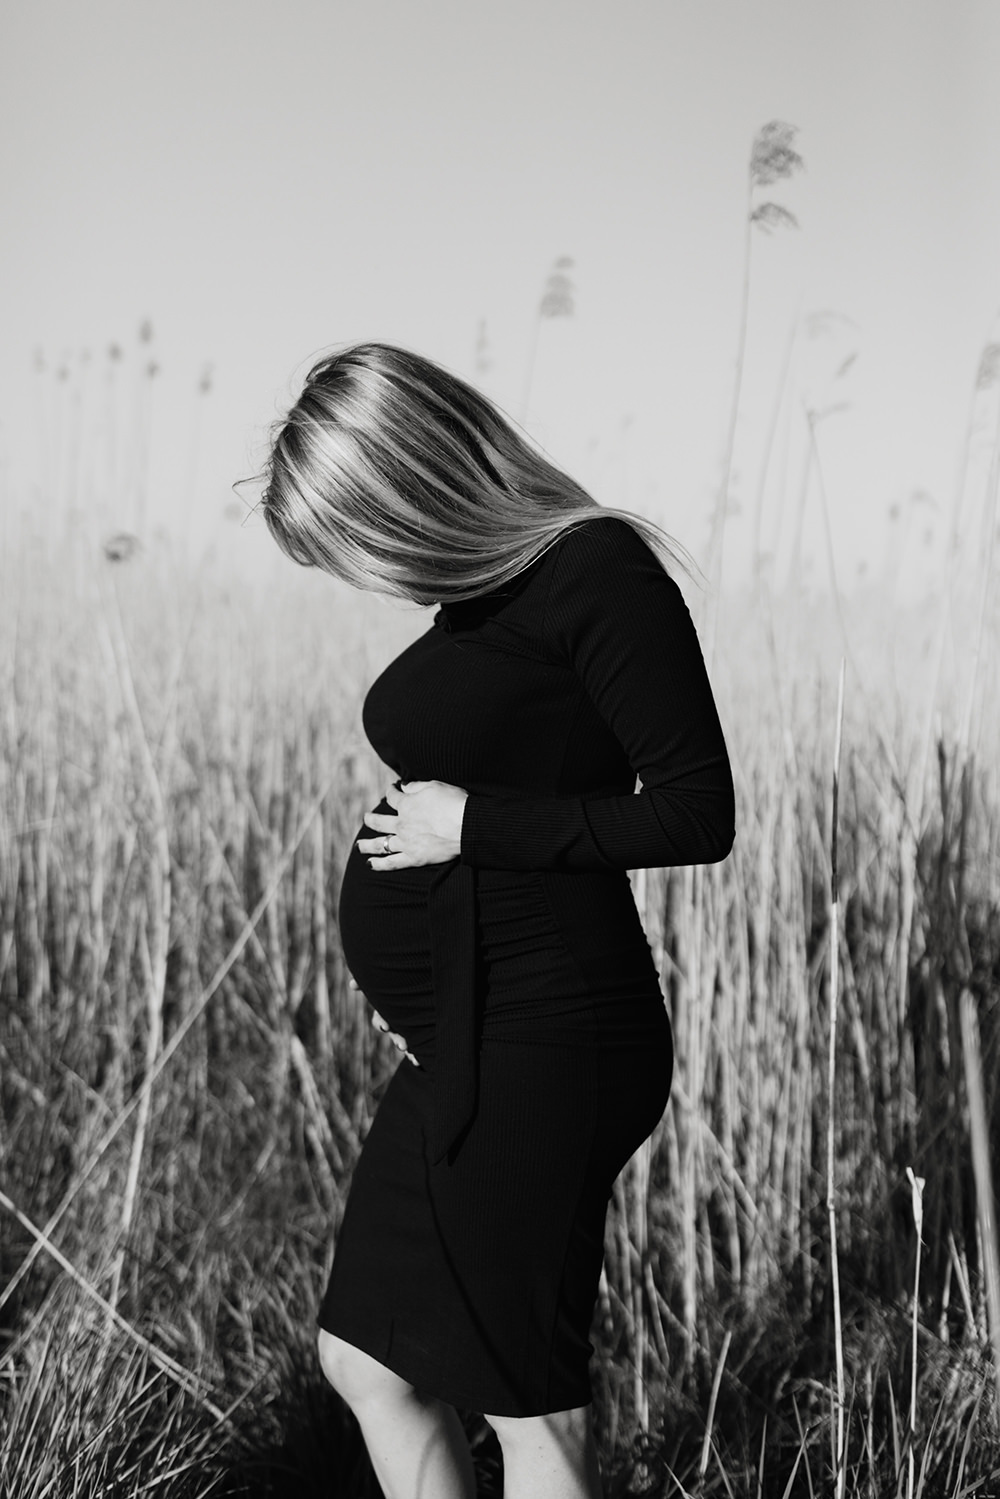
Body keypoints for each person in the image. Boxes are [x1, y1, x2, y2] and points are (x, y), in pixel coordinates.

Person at [259, 342, 735, 1499]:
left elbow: (695, 809)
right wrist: (430, 984)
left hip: (552, 1034)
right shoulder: (488, 598)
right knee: (365, 1354)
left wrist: (477, 826)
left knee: (528, 1405)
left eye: (356, 539)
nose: (366, 573)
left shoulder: (597, 570)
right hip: (474, 1027)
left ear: (410, 483)